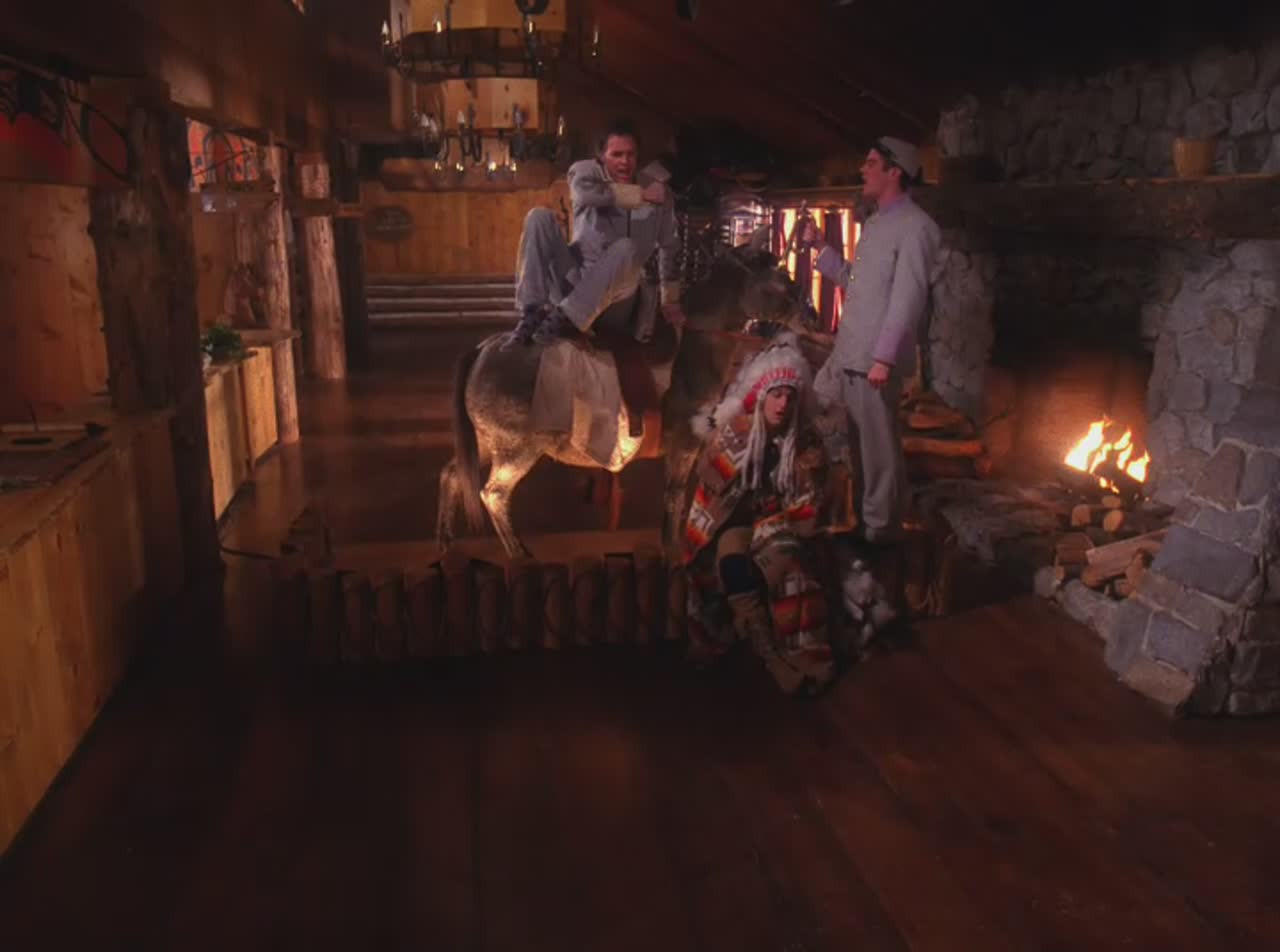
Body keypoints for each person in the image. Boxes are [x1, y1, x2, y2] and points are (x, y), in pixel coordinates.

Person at [504, 119, 687, 435]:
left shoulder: (660, 192)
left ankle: (566, 320)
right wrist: (640, 195)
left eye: (630, 154)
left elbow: (670, 246)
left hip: (619, 297)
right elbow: (585, 196)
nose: (624, 161)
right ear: (602, 157)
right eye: (616, 154)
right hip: (575, 280)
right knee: (539, 217)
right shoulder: (585, 173)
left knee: (626, 248)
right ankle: (531, 311)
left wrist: (670, 299)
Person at [681, 332, 835, 695]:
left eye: (789, 396)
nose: (782, 404)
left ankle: (803, 658)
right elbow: (709, 493)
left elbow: (808, 507)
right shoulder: (735, 434)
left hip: (780, 524)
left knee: (787, 563)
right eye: (776, 395)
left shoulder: (805, 442)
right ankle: (767, 653)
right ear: (762, 396)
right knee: (731, 562)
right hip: (733, 525)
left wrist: (787, 513)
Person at [803, 136, 941, 545]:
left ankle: (881, 534)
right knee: (861, 448)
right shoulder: (877, 223)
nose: (863, 170)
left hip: (874, 361)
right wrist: (821, 248)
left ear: (894, 171)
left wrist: (884, 358)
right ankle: (866, 525)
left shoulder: (916, 227)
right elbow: (860, 285)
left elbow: (907, 298)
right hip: (852, 353)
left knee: (879, 451)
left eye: (871, 163)